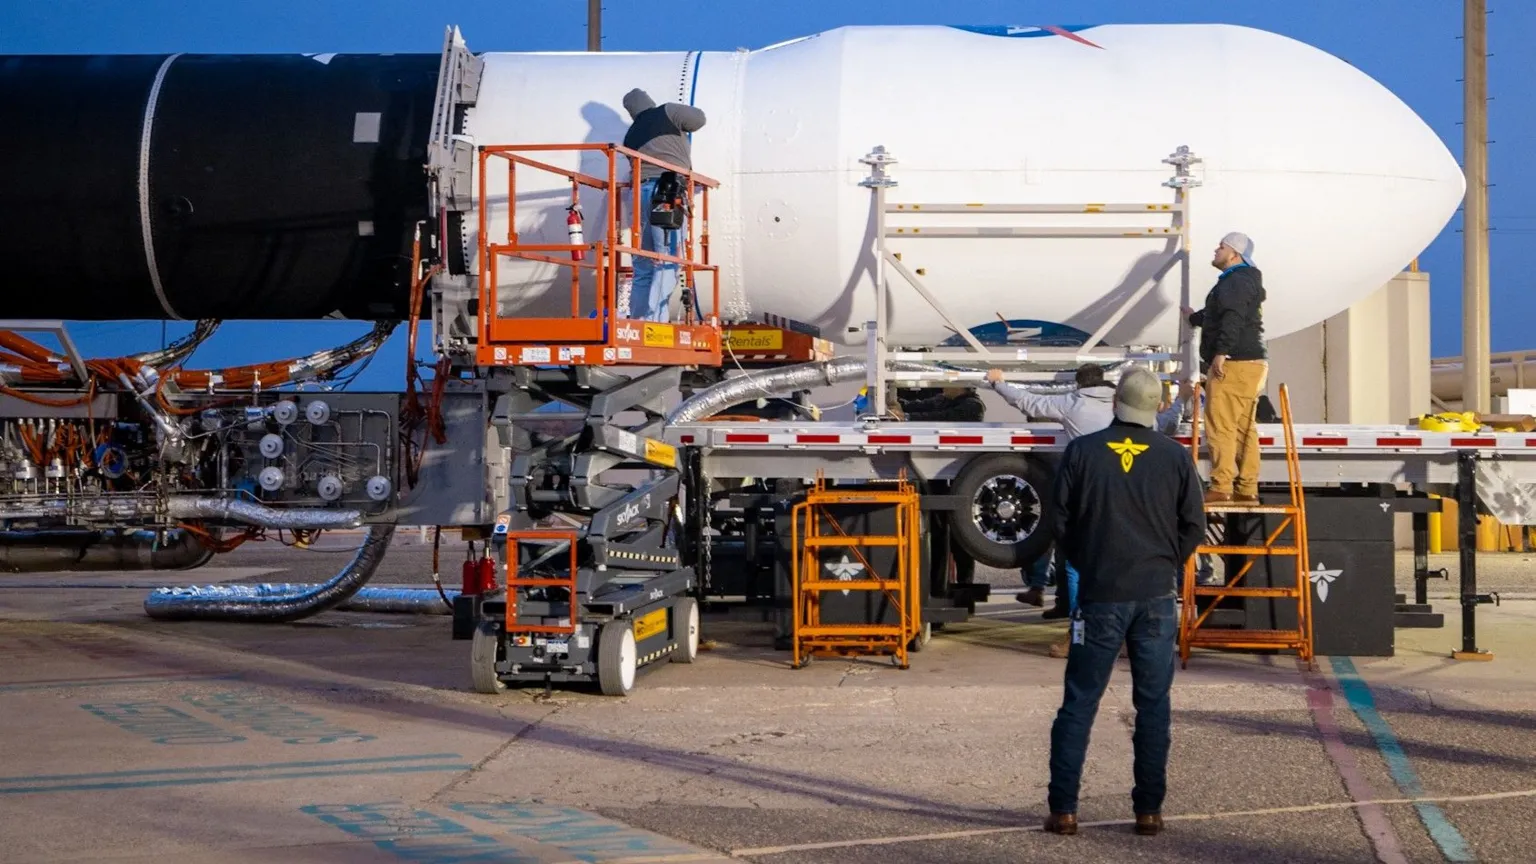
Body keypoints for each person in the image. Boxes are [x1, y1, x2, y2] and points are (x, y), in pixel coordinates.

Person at [1043, 367, 1205, 837]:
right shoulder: (1174, 458)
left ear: (1115, 402)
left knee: (1079, 702)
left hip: (1099, 594)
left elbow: (1060, 521)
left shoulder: (1081, 451)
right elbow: (1193, 524)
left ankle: (1065, 810)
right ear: (1157, 408)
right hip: (1155, 595)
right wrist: (1165, 560)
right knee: (1153, 705)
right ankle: (1148, 812)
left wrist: (1089, 561)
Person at [983, 364, 1114, 617]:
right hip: (1117, 489)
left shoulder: (1075, 403)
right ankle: (1084, 612)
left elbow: (1029, 402)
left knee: (1073, 559)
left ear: (1079, 384)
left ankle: (1078, 625)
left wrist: (998, 383)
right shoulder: (1120, 403)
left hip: (1084, 491)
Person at [1183, 231, 1267, 505]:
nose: (1215, 251)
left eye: (1221, 247)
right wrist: (1195, 317)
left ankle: (1221, 486)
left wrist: (1222, 352)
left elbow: (1232, 316)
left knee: (1221, 424)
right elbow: (1221, 313)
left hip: (1235, 363)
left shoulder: (1235, 280)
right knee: (1243, 428)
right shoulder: (1244, 281)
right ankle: (1247, 488)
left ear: (1235, 254)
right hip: (1251, 363)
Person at [621, 89, 707, 323]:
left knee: (644, 262)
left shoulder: (630, 135)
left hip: (638, 194)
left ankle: (638, 321)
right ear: (649, 101)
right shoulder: (667, 111)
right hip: (667, 192)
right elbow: (698, 119)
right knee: (667, 259)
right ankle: (654, 322)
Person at [895, 386, 986, 586]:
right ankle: (939, 585)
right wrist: (897, 405)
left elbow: (943, 416)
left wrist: (907, 417)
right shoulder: (946, 399)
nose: (943, 388)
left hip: (958, 479)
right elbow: (922, 406)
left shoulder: (972, 406)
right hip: (940, 476)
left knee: (958, 535)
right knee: (939, 535)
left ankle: (963, 586)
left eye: (948, 384)